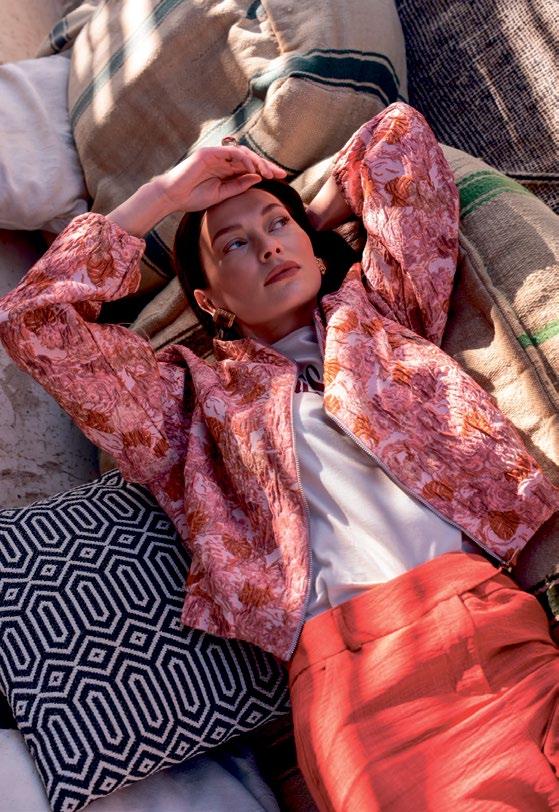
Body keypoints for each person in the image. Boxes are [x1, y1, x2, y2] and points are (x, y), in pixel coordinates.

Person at [1, 102, 559, 810]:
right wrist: (169, 193)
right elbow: (35, 320)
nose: (266, 247)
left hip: (495, 618)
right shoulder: (181, 410)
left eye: (275, 227)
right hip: (364, 689)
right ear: (208, 301)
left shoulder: (384, 312)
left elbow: (399, 136)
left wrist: (308, 216)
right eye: (234, 244)